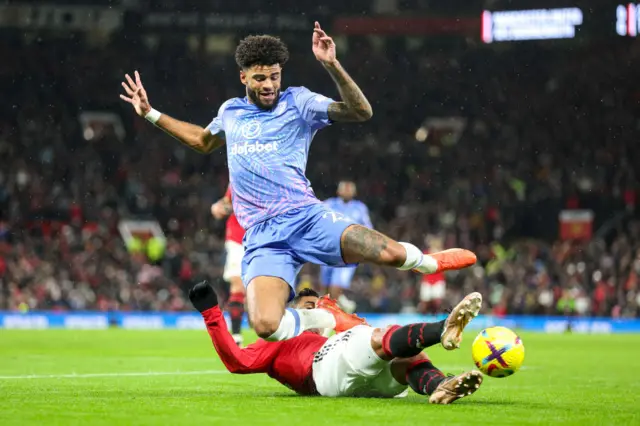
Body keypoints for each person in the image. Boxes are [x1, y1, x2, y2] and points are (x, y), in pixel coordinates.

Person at [119, 22, 476, 343]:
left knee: (392, 253)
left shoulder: (299, 101)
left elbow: (360, 112)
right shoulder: (231, 112)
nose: (270, 84)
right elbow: (201, 140)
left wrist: (331, 64)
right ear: (243, 77)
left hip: (307, 218)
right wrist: (150, 113)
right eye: (260, 78)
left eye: (275, 75)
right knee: (265, 327)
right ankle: (322, 317)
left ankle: (429, 264)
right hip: (262, 236)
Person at [189, 281, 483, 403]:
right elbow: (237, 362)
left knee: (404, 361)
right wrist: (211, 313)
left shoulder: (331, 331)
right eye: (308, 307)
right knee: (381, 337)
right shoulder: (279, 337)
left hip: (348, 383)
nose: (316, 311)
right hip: (321, 370)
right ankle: (442, 328)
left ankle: (439, 386)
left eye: (318, 305)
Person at [320, 181, 372, 313]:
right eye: (345, 189)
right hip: (327, 249)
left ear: (354, 192)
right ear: (339, 191)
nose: (347, 192)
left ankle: (333, 315)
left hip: (347, 252)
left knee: (336, 286)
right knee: (325, 286)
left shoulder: (360, 208)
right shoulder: (329, 204)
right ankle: (340, 307)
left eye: (350, 190)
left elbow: (368, 228)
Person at [211, 185, 246, 346]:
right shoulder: (237, 176)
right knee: (237, 284)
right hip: (237, 238)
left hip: (263, 237)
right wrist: (219, 207)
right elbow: (226, 203)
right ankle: (236, 336)